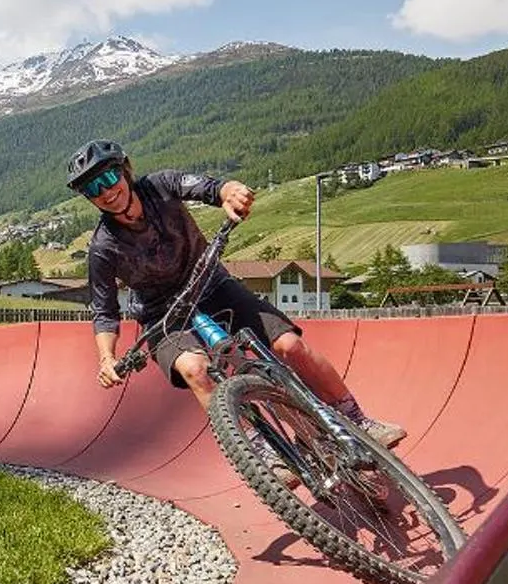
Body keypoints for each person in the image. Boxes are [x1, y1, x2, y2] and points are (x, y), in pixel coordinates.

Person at [69, 140, 405, 447]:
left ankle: (358, 420)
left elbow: (213, 188)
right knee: (195, 370)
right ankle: (258, 449)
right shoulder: (103, 246)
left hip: (211, 284)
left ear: (125, 170)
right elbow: (104, 309)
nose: (106, 191)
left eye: (109, 178)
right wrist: (107, 358)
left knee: (290, 345)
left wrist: (232, 193)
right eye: (93, 189)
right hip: (163, 316)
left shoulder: (160, 186)